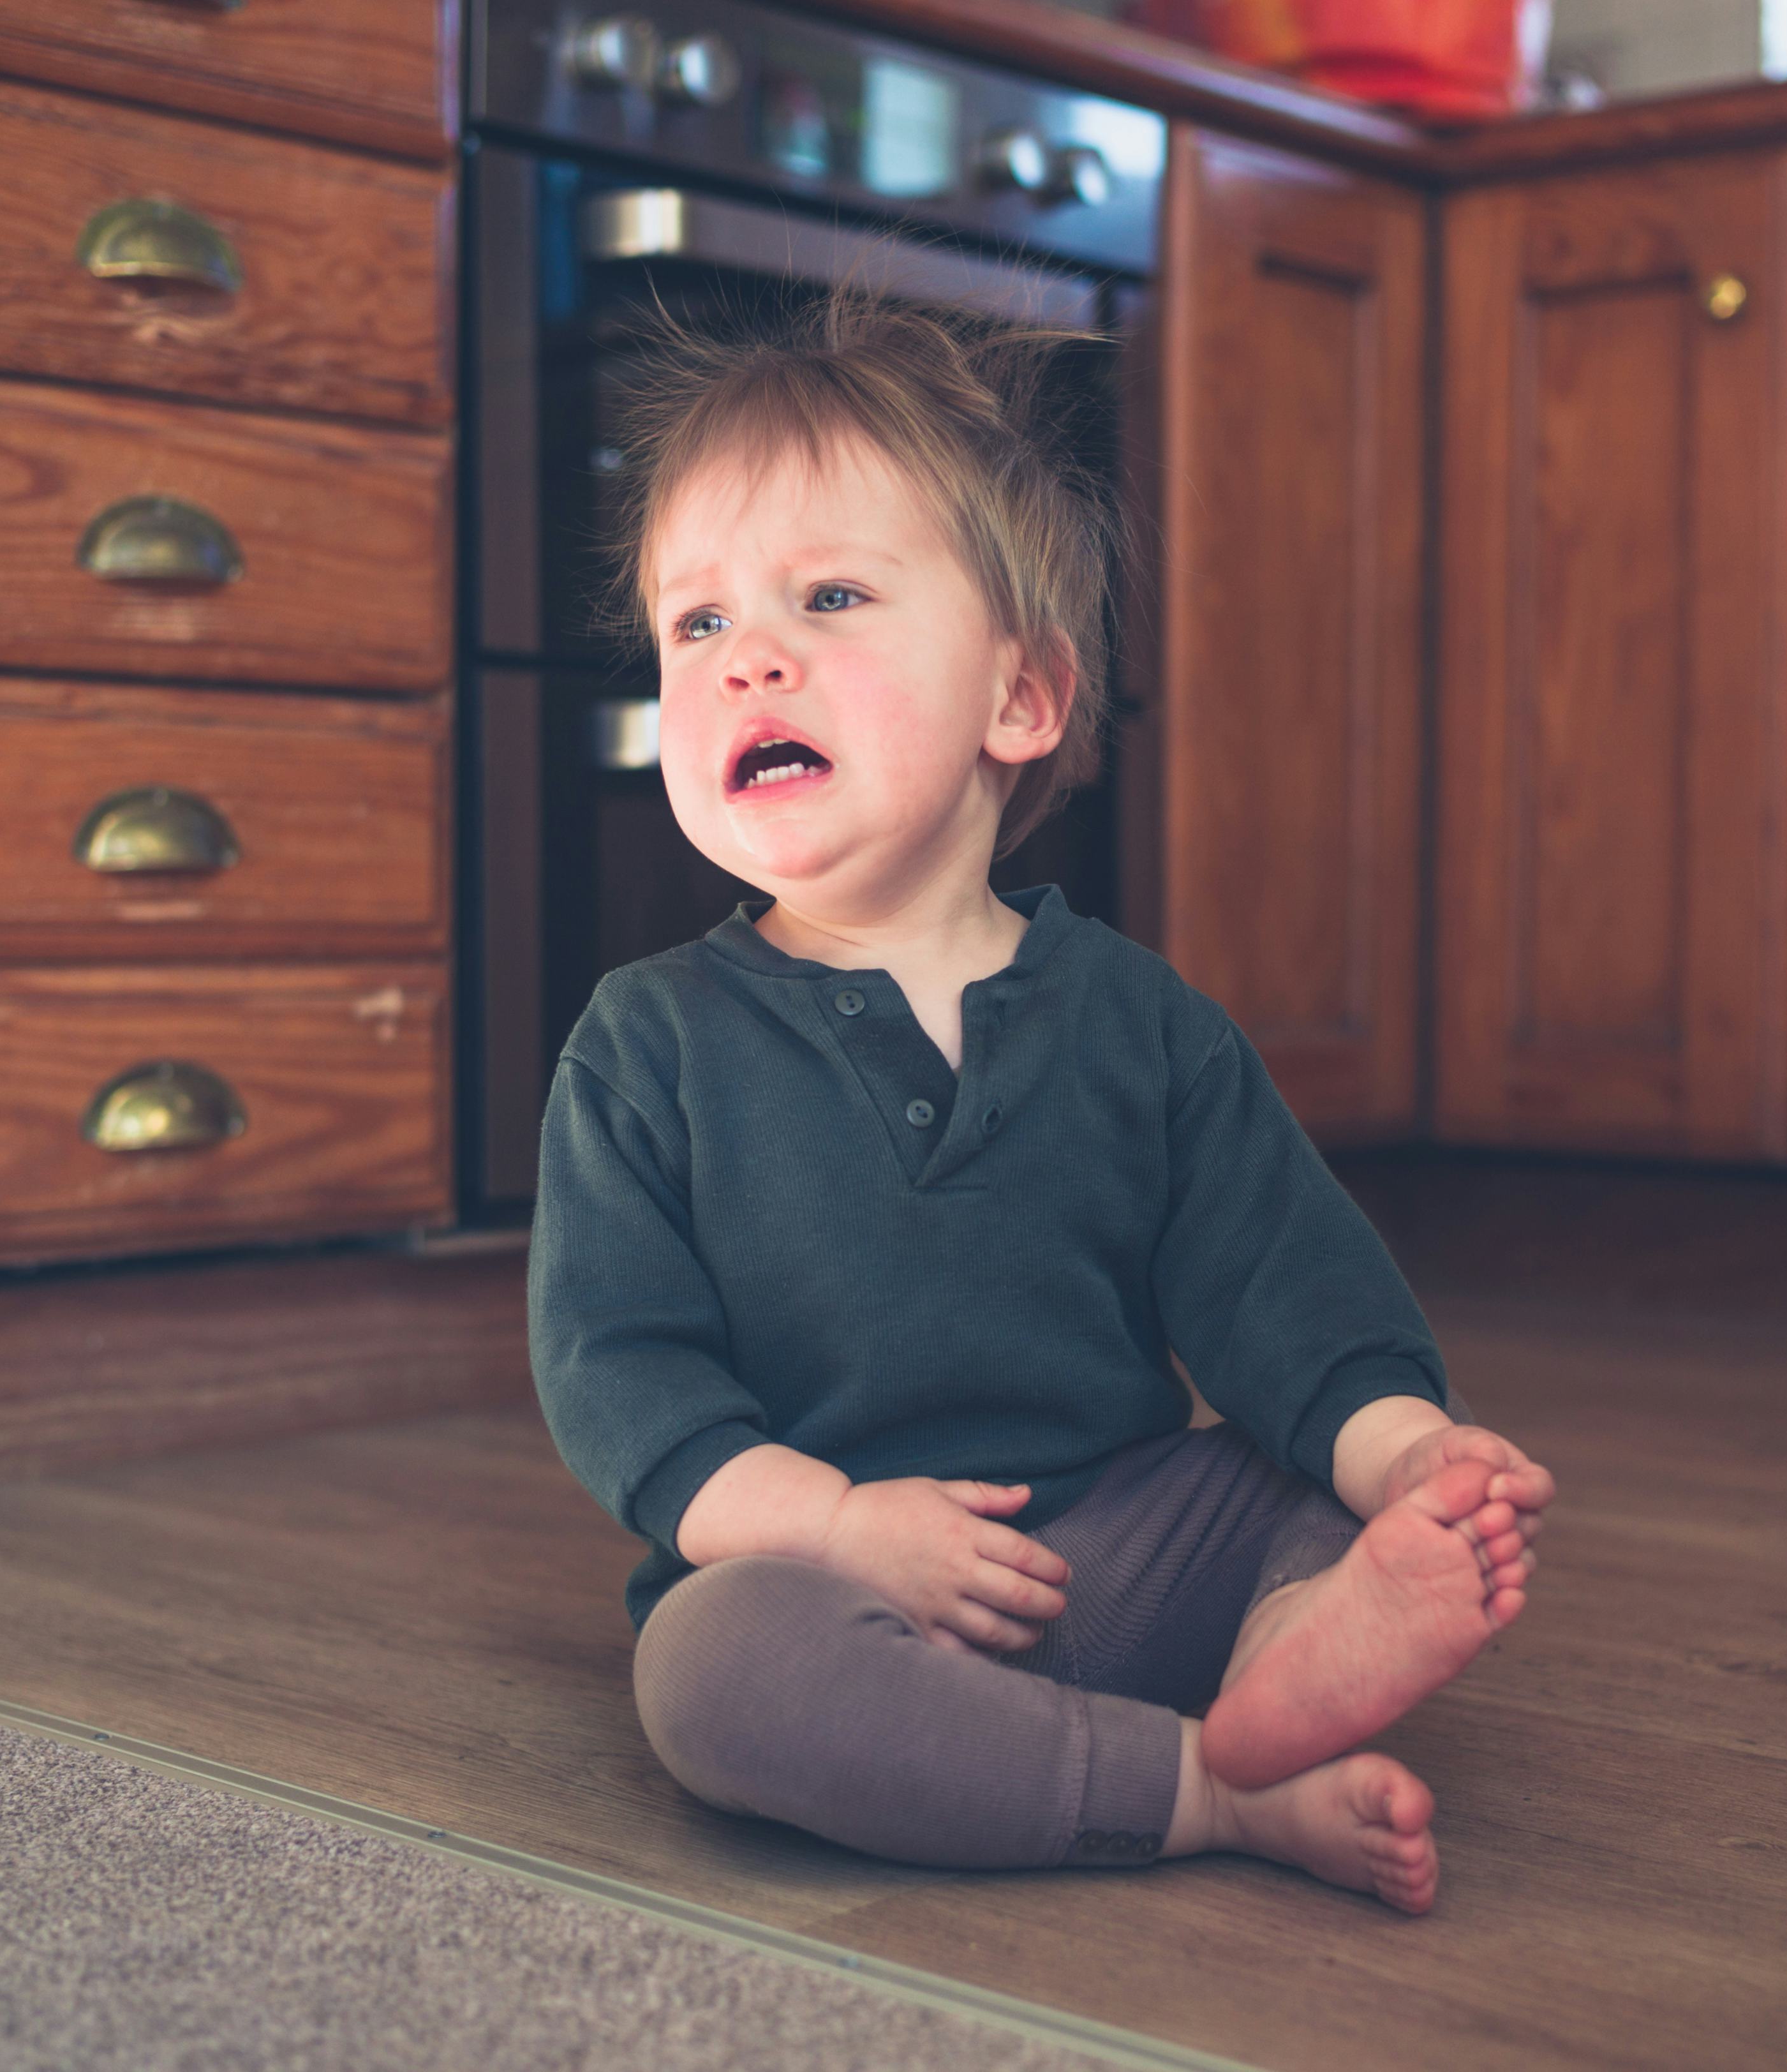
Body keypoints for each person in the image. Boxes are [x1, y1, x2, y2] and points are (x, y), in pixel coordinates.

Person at [528, 295, 1555, 1915]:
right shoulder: (643, 1043)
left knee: (1294, 1479)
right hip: (835, 1582)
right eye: (697, 625)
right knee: (712, 1674)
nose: (752, 657)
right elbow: (620, 1382)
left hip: (1127, 1546)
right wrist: (840, 1523)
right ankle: (1205, 1786)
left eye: (831, 596)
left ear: (1022, 698)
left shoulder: (1142, 1024)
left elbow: (1283, 1284)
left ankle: (1295, 1645)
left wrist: (1408, 1453)